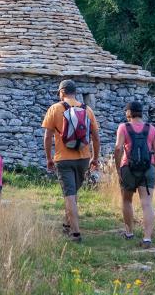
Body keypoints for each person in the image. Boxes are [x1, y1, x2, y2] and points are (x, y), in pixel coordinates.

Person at [42, 80, 101, 242]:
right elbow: (96, 137)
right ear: (75, 92)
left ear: (62, 92)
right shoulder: (87, 109)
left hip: (63, 159)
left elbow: (47, 137)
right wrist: (95, 158)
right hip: (83, 158)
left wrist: (49, 158)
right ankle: (67, 224)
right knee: (73, 194)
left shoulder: (55, 109)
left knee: (69, 195)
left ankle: (75, 233)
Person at [113, 101, 155, 249]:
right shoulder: (151, 128)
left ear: (128, 113)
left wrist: (118, 168)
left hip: (128, 168)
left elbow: (118, 148)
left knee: (127, 200)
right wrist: (154, 166)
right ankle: (147, 238)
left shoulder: (123, 127)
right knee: (146, 203)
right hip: (148, 168)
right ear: (141, 112)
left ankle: (129, 233)